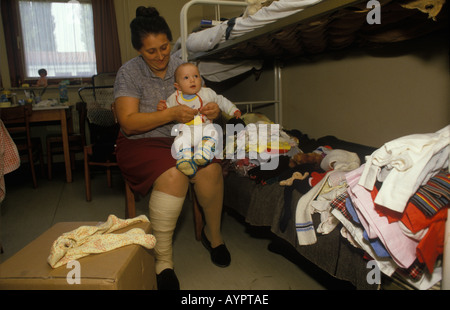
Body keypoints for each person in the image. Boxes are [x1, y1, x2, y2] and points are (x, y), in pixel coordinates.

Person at [113, 6, 231, 290]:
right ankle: (163, 260)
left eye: (164, 46)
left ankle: (213, 237)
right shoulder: (129, 73)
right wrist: (169, 114)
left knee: (211, 170)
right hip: (140, 142)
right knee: (174, 174)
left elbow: (206, 98)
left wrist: (213, 110)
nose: (161, 55)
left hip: (184, 138)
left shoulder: (183, 66)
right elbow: (128, 123)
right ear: (138, 50)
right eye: (151, 51)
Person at [158, 63, 241, 177]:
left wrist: (233, 110)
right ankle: (185, 159)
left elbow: (221, 101)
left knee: (213, 132)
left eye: (196, 76)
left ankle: (204, 151)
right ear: (178, 86)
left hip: (204, 127)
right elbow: (167, 108)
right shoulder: (175, 98)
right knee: (179, 140)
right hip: (187, 130)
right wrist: (162, 108)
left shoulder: (207, 93)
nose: (192, 80)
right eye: (186, 78)